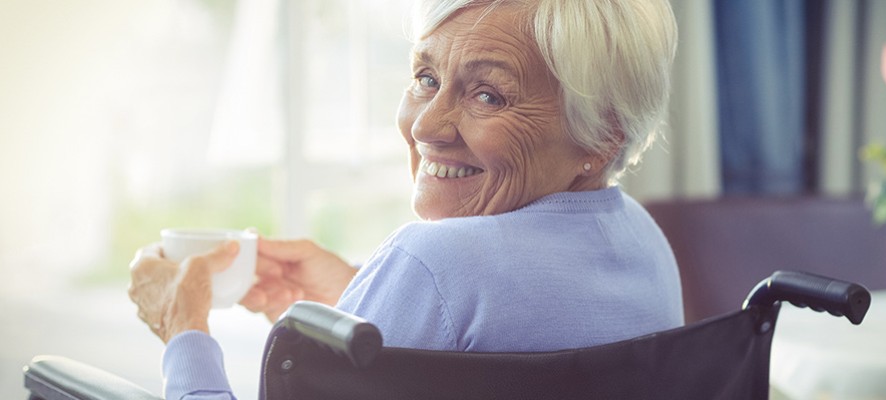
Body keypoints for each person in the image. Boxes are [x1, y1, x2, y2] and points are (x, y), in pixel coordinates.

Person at [128, 0, 681, 398]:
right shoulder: (644, 239)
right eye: (425, 77)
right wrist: (360, 297)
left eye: (488, 94)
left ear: (602, 134)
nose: (427, 125)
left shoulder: (434, 261)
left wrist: (184, 330)